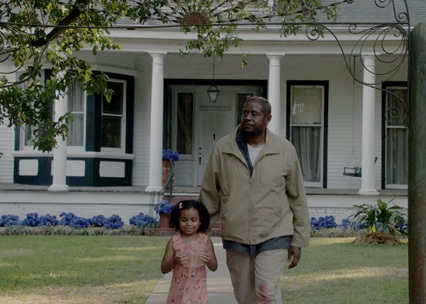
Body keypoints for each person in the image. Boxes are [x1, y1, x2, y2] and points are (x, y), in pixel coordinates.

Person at [199, 96, 310, 304]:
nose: (248, 118)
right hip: (236, 234)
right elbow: (209, 195)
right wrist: (199, 235)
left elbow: (297, 197)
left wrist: (299, 239)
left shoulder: (285, 150)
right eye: (245, 113)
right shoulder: (222, 149)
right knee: (245, 297)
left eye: (254, 114)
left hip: (274, 232)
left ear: (267, 119)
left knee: (266, 293)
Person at [161, 200, 218, 304]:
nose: (188, 223)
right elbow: (164, 268)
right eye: (184, 219)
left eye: (193, 220)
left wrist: (209, 260)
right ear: (178, 220)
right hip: (178, 292)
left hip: (198, 292)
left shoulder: (205, 240)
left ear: (200, 221)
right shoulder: (174, 241)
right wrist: (174, 261)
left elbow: (214, 267)